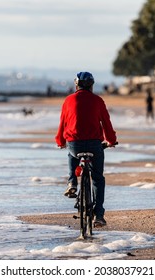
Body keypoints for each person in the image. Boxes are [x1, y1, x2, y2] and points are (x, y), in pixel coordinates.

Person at [55, 71, 117, 227]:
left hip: (75, 144)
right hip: (95, 145)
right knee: (97, 178)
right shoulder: (98, 101)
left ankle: (72, 183)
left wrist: (60, 141)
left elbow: (63, 124)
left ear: (76, 85)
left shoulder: (68, 100)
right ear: (92, 85)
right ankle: (99, 216)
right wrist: (111, 140)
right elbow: (106, 124)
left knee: (71, 154)